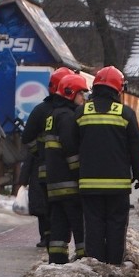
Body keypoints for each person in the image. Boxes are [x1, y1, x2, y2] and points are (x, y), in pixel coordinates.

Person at [75, 65, 139, 264]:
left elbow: (71, 145)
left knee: (93, 226)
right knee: (116, 226)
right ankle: (114, 265)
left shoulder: (81, 113)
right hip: (118, 186)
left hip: (89, 185)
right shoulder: (125, 114)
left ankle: (96, 266)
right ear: (118, 89)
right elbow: (136, 149)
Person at [21, 67, 75, 249]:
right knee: (62, 207)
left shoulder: (40, 110)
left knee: (46, 204)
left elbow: (26, 138)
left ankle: (48, 237)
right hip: (66, 171)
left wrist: (39, 153)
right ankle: (57, 239)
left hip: (43, 168)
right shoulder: (71, 112)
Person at [44, 74, 89, 264]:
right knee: (78, 223)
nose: (83, 99)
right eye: (81, 95)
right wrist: (80, 174)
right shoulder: (68, 117)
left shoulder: (52, 116)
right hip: (69, 182)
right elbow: (71, 150)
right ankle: (83, 257)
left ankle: (57, 257)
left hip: (54, 182)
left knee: (59, 223)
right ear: (70, 93)